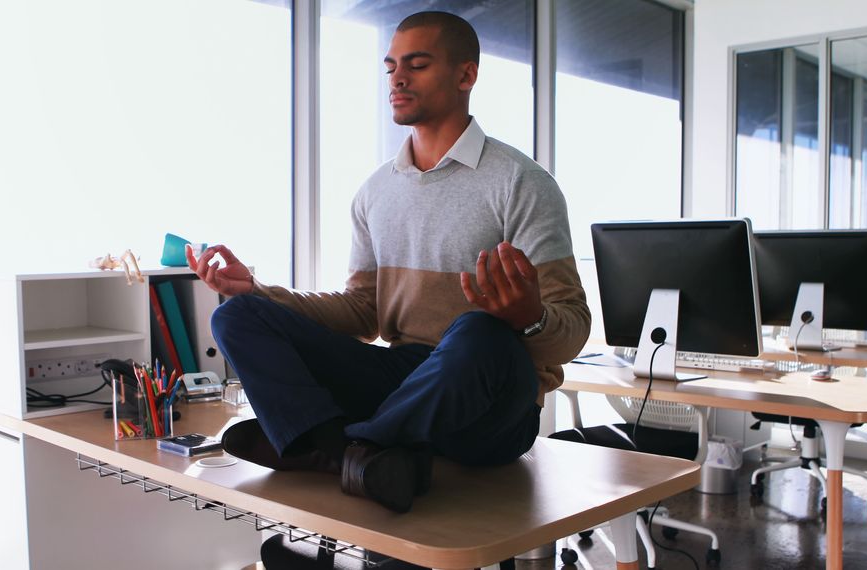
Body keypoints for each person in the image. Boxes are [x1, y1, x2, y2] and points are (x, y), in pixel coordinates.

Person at [187, 11, 590, 513]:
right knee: (234, 316)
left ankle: (333, 444)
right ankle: (356, 454)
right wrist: (258, 293)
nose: (397, 78)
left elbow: (573, 328)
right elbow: (363, 312)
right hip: (402, 379)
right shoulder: (375, 192)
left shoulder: (522, 184)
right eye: (391, 66)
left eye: (417, 65)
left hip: (492, 404)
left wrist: (528, 317)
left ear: (466, 76)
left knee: (479, 331)